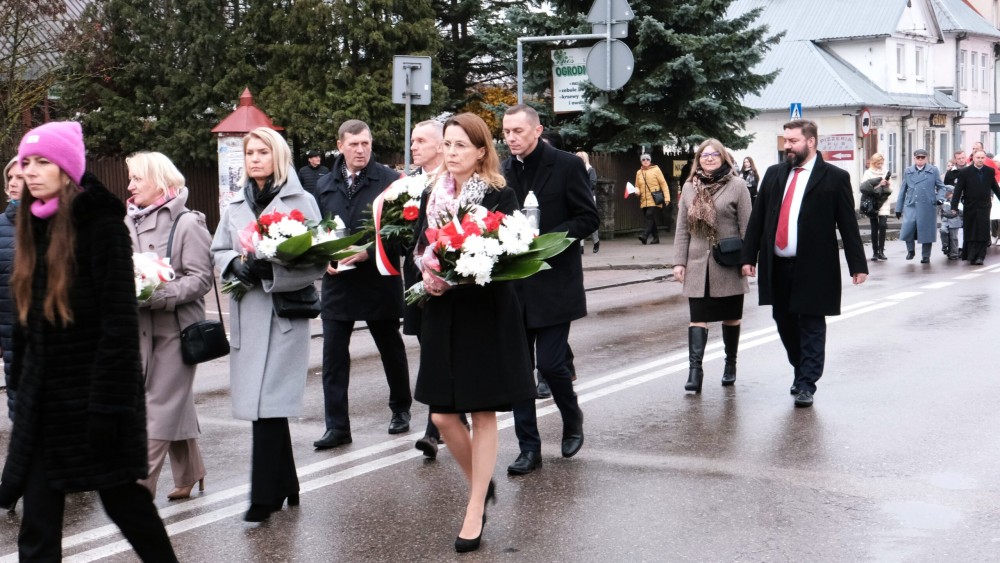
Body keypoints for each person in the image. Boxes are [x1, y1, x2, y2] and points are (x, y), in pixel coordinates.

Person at [0, 121, 178, 560]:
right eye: (25, 162)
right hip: (45, 403)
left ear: (67, 169)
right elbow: (26, 320)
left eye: (42, 162)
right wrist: (19, 382)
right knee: (38, 523)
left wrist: (108, 406)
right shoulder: (31, 222)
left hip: (95, 399)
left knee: (125, 503)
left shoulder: (101, 226)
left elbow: (119, 325)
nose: (28, 171)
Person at [413, 113, 536, 553]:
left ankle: (474, 507)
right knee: (443, 416)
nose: (451, 152)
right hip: (442, 311)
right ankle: (481, 486)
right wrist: (427, 271)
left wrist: (470, 265)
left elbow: (511, 248)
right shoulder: (431, 193)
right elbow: (419, 245)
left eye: (461, 145)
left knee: (483, 413)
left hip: (485, 313)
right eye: (447, 144)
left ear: (481, 151)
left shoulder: (501, 194)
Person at [211, 126, 325, 522]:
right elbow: (218, 249)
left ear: (277, 156)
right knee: (264, 406)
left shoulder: (302, 201)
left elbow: (317, 263)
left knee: (269, 406)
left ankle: (262, 498)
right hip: (248, 315)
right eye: (250, 153)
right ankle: (287, 484)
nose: (255, 159)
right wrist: (236, 265)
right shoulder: (234, 204)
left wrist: (272, 271)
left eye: (262, 152)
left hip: (284, 316)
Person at [740, 119, 868, 408]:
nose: (787, 146)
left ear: (811, 142)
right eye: (785, 140)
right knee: (783, 321)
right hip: (778, 265)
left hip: (815, 266)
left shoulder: (834, 177)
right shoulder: (774, 174)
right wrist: (748, 256)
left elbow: (848, 224)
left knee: (811, 323)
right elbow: (758, 218)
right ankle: (800, 369)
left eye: (793, 141)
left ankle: (808, 383)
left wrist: (857, 265)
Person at [500, 104, 599, 475]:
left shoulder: (567, 166)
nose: (511, 138)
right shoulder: (502, 172)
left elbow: (588, 218)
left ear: (537, 130)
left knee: (552, 364)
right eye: (506, 132)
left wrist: (549, 238)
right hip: (515, 287)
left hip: (556, 283)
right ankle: (529, 448)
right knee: (518, 372)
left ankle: (572, 418)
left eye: (518, 131)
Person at [308, 119, 411, 449]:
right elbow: (314, 230)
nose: (361, 150)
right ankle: (337, 426)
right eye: (353, 144)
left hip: (378, 278)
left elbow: (403, 233)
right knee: (333, 358)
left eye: (365, 143)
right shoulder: (324, 184)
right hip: (338, 283)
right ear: (340, 146)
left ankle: (401, 409)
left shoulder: (390, 181)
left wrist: (369, 252)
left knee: (390, 349)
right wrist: (323, 258)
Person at [124, 152, 213, 501]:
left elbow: (201, 279)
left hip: (177, 331)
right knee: (173, 401)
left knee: (158, 406)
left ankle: (136, 491)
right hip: (139, 330)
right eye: (130, 178)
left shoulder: (188, 222)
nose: (130, 186)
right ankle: (192, 472)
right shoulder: (127, 221)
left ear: (159, 181)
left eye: (137, 178)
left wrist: (158, 293)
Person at [674, 139, 752, 392]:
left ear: (723, 157)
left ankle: (730, 364)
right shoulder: (689, 187)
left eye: (714, 154)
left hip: (728, 263)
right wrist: (679, 262)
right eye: (704, 155)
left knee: (731, 317)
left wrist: (749, 260)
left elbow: (747, 227)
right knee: (697, 318)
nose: (709, 158)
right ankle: (694, 372)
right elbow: (682, 229)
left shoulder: (737, 186)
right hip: (698, 264)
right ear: (698, 159)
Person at [404, 119, 454, 460]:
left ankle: (434, 430)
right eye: (412, 141)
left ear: (440, 145)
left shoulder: (452, 184)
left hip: (449, 281)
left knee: (438, 356)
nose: (413, 147)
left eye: (421, 141)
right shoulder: (410, 184)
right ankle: (452, 418)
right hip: (420, 277)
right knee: (432, 351)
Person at [1, 157, 23, 419]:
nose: (13, 183)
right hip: (13, 341)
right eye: (10, 178)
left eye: (21, 178)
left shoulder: (64, 225)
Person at [896, 148, 946, 263]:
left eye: (922, 157)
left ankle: (926, 256)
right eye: (918, 157)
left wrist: (940, 198)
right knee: (908, 228)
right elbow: (903, 190)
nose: (920, 160)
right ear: (914, 158)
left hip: (927, 204)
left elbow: (941, 187)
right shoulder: (908, 171)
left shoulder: (933, 170)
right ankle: (910, 250)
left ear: (926, 158)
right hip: (911, 204)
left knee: (926, 230)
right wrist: (898, 208)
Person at [952, 149, 1000, 265]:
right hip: (970, 206)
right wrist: (954, 207)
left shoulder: (989, 171)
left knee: (983, 231)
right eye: (978, 158)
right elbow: (958, 190)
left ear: (985, 159)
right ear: (973, 158)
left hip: (984, 206)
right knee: (971, 230)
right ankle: (971, 255)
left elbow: (995, 188)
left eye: (982, 158)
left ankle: (980, 256)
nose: (980, 160)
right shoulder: (965, 172)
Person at [860, 153, 892, 261]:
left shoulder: (886, 171)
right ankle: (875, 252)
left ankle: (881, 251)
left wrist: (887, 184)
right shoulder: (868, 173)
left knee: (882, 226)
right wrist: (879, 184)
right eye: (878, 163)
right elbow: (864, 187)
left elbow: (890, 187)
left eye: (881, 163)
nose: (880, 165)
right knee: (874, 227)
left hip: (883, 201)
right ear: (873, 163)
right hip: (872, 203)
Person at [635, 153, 668, 244]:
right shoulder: (639, 172)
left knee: (649, 215)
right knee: (651, 218)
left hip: (654, 198)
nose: (645, 161)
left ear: (650, 160)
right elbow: (637, 186)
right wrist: (637, 191)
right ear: (641, 161)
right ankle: (656, 238)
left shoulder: (656, 169)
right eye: (643, 159)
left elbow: (663, 184)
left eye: (647, 159)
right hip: (644, 200)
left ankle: (644, 235)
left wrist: (667, 198)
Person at [577, 151, 600, 253]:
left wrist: (582, 188)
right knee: (579, 220)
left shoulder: (590, 170)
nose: (580, 159)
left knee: (591, 219)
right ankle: (580, 246)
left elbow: (593, 183)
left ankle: (596, 241)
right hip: (578, 197)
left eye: (581, 158)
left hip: (589, 197)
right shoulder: (575, 170)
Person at [940, 186, 962, 260]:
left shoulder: (958, 200)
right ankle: (945, 246)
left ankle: (954, 254)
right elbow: (941, 211)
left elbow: (958, 212)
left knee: (953, 238)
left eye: (947, 192)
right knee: (943, 231)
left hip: (955, 221)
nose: (945, 193)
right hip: (945, 220)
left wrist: (949, 213)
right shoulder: (944, 200)